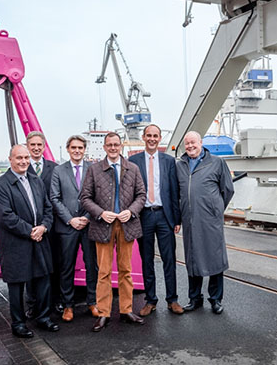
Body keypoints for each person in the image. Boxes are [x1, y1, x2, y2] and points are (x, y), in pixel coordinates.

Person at [80, 132, 147, 332]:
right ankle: (103, 313)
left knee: (126, 270)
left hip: (127, 224)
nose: (113, 147)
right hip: (103, 225)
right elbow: (85, 198)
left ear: (121, 146)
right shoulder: (94, 170)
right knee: (104, 272)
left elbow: (141, 195)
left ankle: (126, 310)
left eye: (116, 144)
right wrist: (101, 213)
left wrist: (131, 211)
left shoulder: (133, 169)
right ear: (104, 146)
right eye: (109, 144)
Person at [0, 144, 60, 338]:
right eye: (19, 158)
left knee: (43, 281)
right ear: (10, 159)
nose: (23, 162)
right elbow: (5, 216)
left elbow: (48, 208)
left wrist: (44, 227)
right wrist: (30, 231)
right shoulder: (0, 185)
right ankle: (18, 323)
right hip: (16, 244)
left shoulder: (36, 181)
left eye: (26, 158)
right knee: (16, 285)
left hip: (39, 239)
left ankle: (44, 318)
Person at [175, 131, 234, 315]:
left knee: (215, 259)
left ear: (201, 143)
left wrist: (215, 210)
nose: (190, 146)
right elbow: (177, 194)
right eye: (187, 143)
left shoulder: (217, 162)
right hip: (190, 221)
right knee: (193, 259)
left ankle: (215, 299)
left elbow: (227, 190)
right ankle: (194, 298)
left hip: (210, 221)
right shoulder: (180, 165)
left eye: (193, 142)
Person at [129, 125, 183, 316]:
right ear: (143, 137)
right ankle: (150, 300)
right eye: (149, 135)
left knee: (169, 259)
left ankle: (172, 300)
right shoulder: (133, 161)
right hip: (144, 216)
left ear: (160, 138)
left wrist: (177, 219)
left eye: (155, 136)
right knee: (147, 260)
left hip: (164, 216)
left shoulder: (169, 161)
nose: (152, 138)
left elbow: (174, 191)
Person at [50, 135, 99, 322]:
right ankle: (68, 305)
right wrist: (71, 220)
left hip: (88, 226)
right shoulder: (58, 171)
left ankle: (92, 301)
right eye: (73, 147)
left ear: (84, 149)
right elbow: (54, 198)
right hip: (67, 226)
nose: (77, 150)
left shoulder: (92, 169)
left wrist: (86, 218)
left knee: (91, 266)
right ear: (68, 149)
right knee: (66, 267)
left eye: (80, 147)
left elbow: (96, 196)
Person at [25, 131, 61, 316]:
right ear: (28, 146)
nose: (37, 148)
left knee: (53, 264)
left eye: (40, 145)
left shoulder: (54, 168)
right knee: (31, 267)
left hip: (52, 225)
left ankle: (54, 300)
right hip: (30, 226)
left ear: (44, 146)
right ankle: (32, 303)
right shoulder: (22, 167)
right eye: (33, 145)